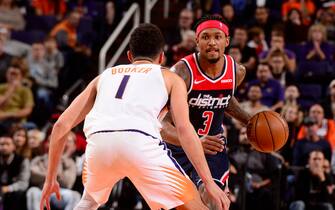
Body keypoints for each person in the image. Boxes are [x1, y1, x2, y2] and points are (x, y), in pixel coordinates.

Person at [39, 23, 229, 210]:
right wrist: (209, 183)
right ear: (161, 57)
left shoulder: (104, 76)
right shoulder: (170, 78)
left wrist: (50, 179)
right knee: (194, 206)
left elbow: (61, 126)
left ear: (129, 56)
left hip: (99, 145)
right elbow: (184, 129)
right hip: (140, 142)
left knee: (89, 201)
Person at [161, 15, 252, 208]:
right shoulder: (181, 74)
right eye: (205, 37)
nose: (211, 42)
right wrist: (193, 142)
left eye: (217, 37)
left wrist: (250, 120)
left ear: (226, 41)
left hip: (212, 147)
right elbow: (162, 125)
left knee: (217, 201)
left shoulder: (237, 72)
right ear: (197, 41)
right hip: (177, 149)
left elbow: (223, 99)